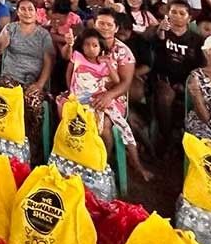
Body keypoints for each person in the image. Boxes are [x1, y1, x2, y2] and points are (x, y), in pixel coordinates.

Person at [61, 28, 153, 181]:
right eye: (87, 45)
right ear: (82, 46)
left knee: (118, 128)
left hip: (100, 100)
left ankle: (107, 161)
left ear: (101, 48)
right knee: (77, 124)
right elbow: (68, 71)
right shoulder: (77, 57)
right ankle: (78, 159)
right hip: (78, 101)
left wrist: (109, 65)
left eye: (95, 45)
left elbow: (118, 81)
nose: (91, 48)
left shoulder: (104, 64)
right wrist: (72, 90)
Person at [0, 0, 54, 160]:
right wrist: (2, 44)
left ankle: (31, 148)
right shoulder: (10, 28)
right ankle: (3, 142)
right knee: (4, 98)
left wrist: (40, 84)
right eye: (23, 9)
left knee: (33, 103)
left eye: (30, 9)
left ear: (36, 13)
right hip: (10, 77)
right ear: (17, 12)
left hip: (34, 81)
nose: (27, 12)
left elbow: (49, 62)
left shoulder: (43, 35)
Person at [154, 0, 204, 149]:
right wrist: (160, 33)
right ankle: (166, 137)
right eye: (173, 12)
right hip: (165, 79)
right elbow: (155, 51)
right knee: (165, 96)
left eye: (182, 13)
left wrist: (188, 83)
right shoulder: (161, 32)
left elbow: (200, 65)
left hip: (188, 80)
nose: (177, 16)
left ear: (189, 18)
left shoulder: (197, 39)